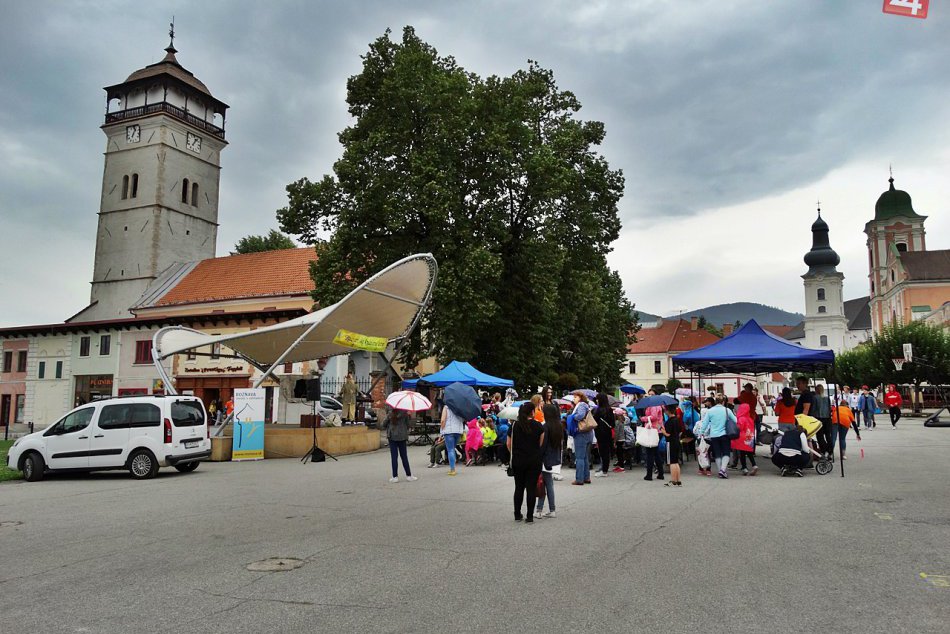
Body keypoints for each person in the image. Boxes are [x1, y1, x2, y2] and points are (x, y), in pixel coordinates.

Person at [508, 401, 545, 523]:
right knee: (531, 488)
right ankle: (529, 516)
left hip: (518, 460)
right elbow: (540, 444)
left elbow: (508, 444)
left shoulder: (514, 425)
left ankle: (517, 514)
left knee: (519, 487)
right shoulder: (538, 426)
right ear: (532, 412)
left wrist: (515, 452)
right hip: (534, 460)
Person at [696, 395, 737, 479]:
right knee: (726, 453)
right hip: (725, 435)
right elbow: (736, 421)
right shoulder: (727, 410)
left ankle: (720, 471)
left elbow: (705, 423)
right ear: (723, 401)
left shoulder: (710, 411)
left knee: (717, 454)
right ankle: (723, 470)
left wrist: (701, 433)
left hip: (714, 435)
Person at [536, 393, 563, 518]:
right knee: (548, 484)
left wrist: (538, 457)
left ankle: (540, 510)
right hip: (554, 458)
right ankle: (550, 510)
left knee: (543, 484)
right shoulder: (558, 426)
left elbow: (543, 445)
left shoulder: (545, 427)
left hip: (545, 459)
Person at [382, 407, 416, 482]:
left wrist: (389, 421)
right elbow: (409, 425)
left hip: (392, 436)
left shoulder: (390, 413)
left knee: (394, 457)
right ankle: (409, 475)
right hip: (402, 437)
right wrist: (409, 416)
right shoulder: (405, 413)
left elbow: (383, 424)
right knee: (404, 457)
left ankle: (395, 477)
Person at [567, 393, 593, 485]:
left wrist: (572, 416)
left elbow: (580, 415)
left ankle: (579, 479)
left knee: (579, 457)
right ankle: (586, 477)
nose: (574, 399)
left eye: (575, 397)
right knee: (585, 457)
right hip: (588, 434)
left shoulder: (581, 405)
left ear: (580, 398)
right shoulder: (586, 405)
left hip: (581, 434)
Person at [439, 403, 466, 476]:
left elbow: (443, 420)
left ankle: (452, 469)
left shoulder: (446, 407)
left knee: (450, 450)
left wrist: (441, 432)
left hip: (449, 431)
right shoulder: (460, 407)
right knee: (452, 449)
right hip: (458, 431)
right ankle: (453, 465)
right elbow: (463, 419)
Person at [593, 393, 615, 478]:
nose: (596, 400)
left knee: (602, 452)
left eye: (597, 399)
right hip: (608, 432)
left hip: (600, 433)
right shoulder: (609, 409)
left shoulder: (598, 410)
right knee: (606, 451)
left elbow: (594, 421)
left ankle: (604, 470)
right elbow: (613, 424)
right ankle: (605, 469)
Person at [641, 405, 666, 481]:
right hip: (657, 430)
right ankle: (660, 473)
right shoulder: (658, 406)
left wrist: (643, 418)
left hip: (653, 430)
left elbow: (654, 417)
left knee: (650, 453)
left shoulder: (653, 406)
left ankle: (649, 475)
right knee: (656, 453)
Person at [732, 403, 758, 475]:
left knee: (742, 453)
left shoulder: (741, 418)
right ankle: (754, 465)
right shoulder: (750, 418)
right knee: (749, 452)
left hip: (742, 437)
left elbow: (740, 428)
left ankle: (744, 468)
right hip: (749, 436)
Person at [662, 403, 684, 487]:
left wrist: (661, 430)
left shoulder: (669, 422)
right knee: (676, 462)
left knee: (671, 462)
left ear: (668, 411)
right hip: (677, 441)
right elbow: (680, 432)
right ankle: (678, 480)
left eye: (665, 410)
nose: (665, 412)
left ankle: (673, 480)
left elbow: (667, 434)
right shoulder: (677, 420)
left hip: (670, 442)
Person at [812, 384, 832, 457]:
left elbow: (814, 409)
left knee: (820, 436)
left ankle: (824, 450)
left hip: (818, 418)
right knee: (828, 435)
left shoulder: (815, 398)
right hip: (827, 418)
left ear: (816, 390)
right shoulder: (827, 398)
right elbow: (829, 408)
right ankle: (830, 451)